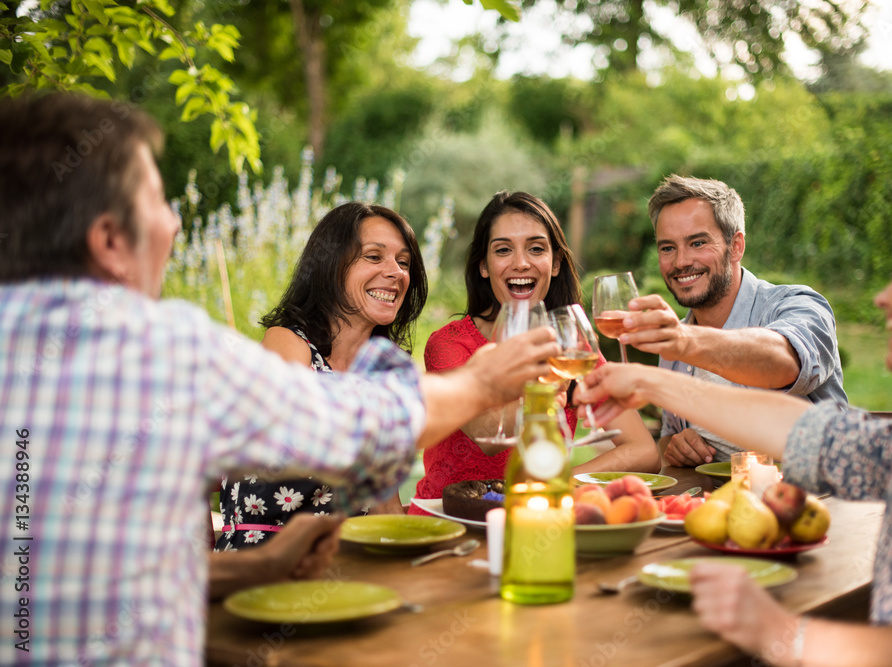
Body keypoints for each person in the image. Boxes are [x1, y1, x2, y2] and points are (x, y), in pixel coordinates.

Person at [0, 92, 559, 664]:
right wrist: (481, 382)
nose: (173, 222)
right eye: (158, 201)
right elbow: (351, 429)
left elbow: (97, 574)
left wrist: (253, 567)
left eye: (402, 261)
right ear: (110, 241)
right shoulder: (161, 349)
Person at [578, 189, 892, 666]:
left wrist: (775, 632)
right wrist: (651, 381)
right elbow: (811, 434)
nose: (882, 297)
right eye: (668, 246)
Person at [410, 190, 659, 512]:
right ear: (483, 266)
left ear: (555, 263)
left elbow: (644, 451)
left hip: (534, 516)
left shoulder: (572, 347)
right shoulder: (451, 343)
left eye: (536, 249)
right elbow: (487, 434)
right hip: (450, 522)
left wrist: (561, 486)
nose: (521, 263)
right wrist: (553, 382)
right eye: (503, 250)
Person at [215, 201, 426, 551]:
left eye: (403, 262)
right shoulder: (286, 343)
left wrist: (411, 556)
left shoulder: (383, 371)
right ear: (331, 266)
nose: (396, 272)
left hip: (344, 564)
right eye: (374, 257)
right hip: (262, 567)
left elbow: (383, 503)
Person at [627, 174, 847, 469]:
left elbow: (786, 361)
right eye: (668, 248)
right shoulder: (678, 337)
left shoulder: (798, 305)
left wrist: (684, 341)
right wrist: (676, 446)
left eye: (697, 242)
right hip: (717, 504)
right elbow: (670, 435)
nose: (680, 262)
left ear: (736, 246)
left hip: (816, 498)